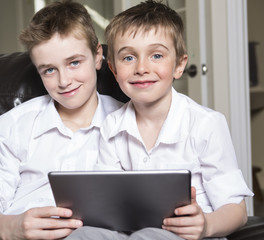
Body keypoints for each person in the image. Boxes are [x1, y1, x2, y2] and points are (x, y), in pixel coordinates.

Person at [70, 1, 253, 240]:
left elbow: (237, 211)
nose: (142, 68)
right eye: (128, 58)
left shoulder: (206, 124)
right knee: (83, 235)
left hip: (190, 236)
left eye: (156, 55)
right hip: (130, 233)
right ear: (113, 70)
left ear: (179, 65)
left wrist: (205, 225)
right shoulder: (111, 126)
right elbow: (107, 204)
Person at [0, 1, 123, 240]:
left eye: (74, 62)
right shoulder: (13, 125)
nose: (64, 81)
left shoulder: (128, 123)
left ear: (97, 57)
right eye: (49, 70)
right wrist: (11, 228)